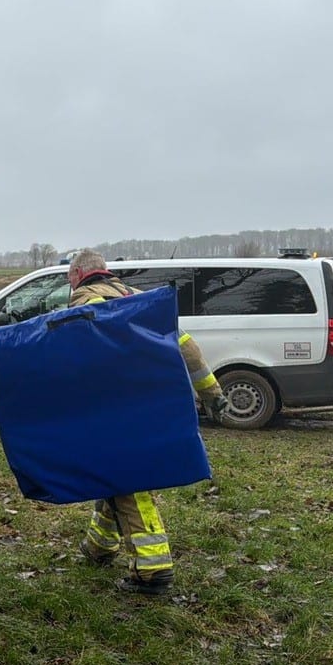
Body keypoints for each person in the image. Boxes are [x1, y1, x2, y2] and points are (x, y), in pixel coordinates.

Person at [67, 248, 228, 595]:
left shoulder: (84, 302)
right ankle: (100, 546)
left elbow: (77, 358)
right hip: (149, 406)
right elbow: (188, 348)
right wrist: (212, 393)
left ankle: (154, 570)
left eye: (69, 278)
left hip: (113, 409)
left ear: (79, 274)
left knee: (128, 481)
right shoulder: (140, 300)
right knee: (113, 475)